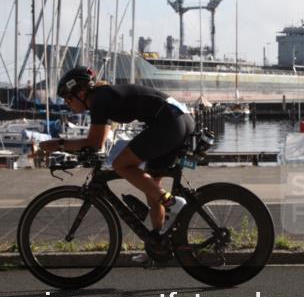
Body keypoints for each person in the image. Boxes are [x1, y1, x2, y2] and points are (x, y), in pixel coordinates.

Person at [39, 66, 194, 235]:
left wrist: (58, 144)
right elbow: (100, 140)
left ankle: (171, 202)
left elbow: (94, 142)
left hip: (169, 122)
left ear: (81, 93)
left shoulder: (98, 100)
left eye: (68, 99)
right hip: (180, 118)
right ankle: (158, 242)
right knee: (152, 187)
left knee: (121, 164)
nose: (67, 103)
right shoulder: (103, 97)